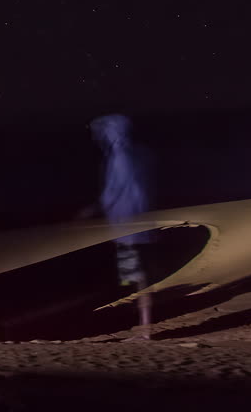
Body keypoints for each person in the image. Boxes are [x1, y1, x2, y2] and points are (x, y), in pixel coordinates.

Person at [90, 113, 154, 338]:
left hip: (127, 227)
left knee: (136, 276)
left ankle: (145, 328)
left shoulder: (121, 157)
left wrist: (97, 209)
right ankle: (142, 325)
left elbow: (119, 190)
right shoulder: (130, 154)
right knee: (133, 275)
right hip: (127, 226)